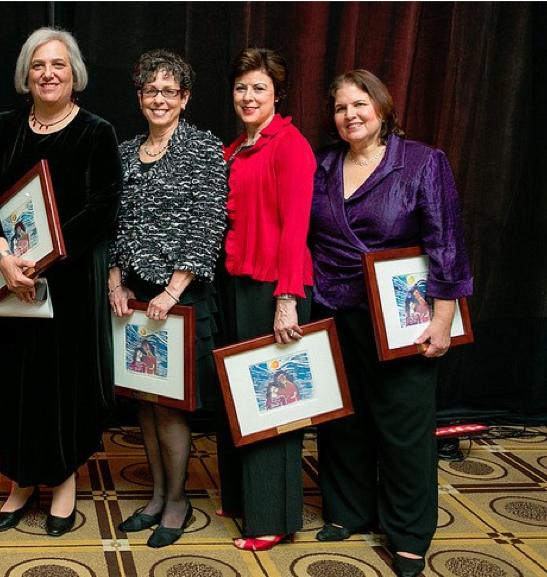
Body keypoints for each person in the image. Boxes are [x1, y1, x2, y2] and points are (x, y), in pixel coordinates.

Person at [308, 69, 472, 577]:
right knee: (344, 420)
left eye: (360, 104)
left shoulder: (422, 162)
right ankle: (350, 511)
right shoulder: (323, 164)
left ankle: (408, 534)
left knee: (403, 427)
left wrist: (443, 320)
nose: (350, 115)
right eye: (340, 108)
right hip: (333, 307)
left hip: (402, 319)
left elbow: (447, 245)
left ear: (382, 108)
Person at [0, 26, 124, 537]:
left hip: (71, 283)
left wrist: (42, 261)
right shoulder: (1, 128)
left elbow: (102, 207)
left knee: (62, 386)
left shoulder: (97, 132)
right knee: (14, 382)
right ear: (26, 74)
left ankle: (62, 482)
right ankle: (19, 481)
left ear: (73, 72)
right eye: (39, 65)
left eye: (58, 64)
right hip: (7, 280)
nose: (48, 73)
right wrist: (3, 258)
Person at [108, 49, 226, 548]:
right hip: (132, 296)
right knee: (143, 398)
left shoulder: (203, 148)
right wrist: (115, 281)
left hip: (179, 295)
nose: (159, 98)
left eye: (169, 91)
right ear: (140, 98)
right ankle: (156, 495)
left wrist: (173, 290)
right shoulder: (124, 151)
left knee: (172, 406)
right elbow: (111, 223)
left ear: (184, 98)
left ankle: (177, 502)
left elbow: (208, 224)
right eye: (150, 90)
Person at [213, 46, 316, 551]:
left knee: (273, 403)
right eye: (241, 87)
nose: (248, 96)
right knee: (239, 399)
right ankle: (242, 499)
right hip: (238, 286)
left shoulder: (289, 144)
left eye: (259, 88)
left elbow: (297, 228)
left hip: (277, 287)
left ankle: (273, 516)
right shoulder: (237, 147)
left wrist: (288, 299)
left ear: (277, 93)